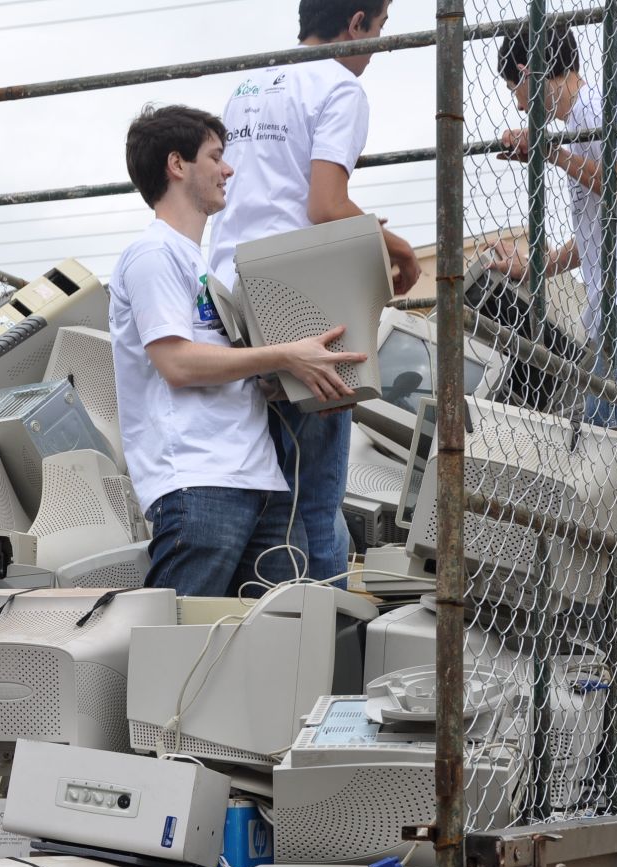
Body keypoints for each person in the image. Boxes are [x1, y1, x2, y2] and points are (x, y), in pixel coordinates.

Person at [111, 103, 366, 598]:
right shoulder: (153, 254)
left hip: (259, 482)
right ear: (177, 164)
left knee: (280, 634)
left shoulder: (201, 267)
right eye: (215, 156)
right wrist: (285, 356)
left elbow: (216, 367)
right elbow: (177, 363)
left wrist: (287, 381)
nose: (228, 170)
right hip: (200, 480)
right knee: (181, 636)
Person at [208, 0, 422, 587]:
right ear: (356, 23)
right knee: (316, 500)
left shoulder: (249, 86)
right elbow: (326, 206)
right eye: (379, 29)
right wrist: (399, 249)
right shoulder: (340, 87)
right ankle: (323, 630)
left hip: (229, 296)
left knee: (268, 490)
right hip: (296, 298)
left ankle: (264, 617)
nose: (378, 45)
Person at [486, 24, 617, 431]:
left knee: (607, 432)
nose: (519, 106)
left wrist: (552, 153)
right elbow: (601, 232)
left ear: (528, 73)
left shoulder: (597, 108)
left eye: (514, 89)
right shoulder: (582, 123)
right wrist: (537, 266)